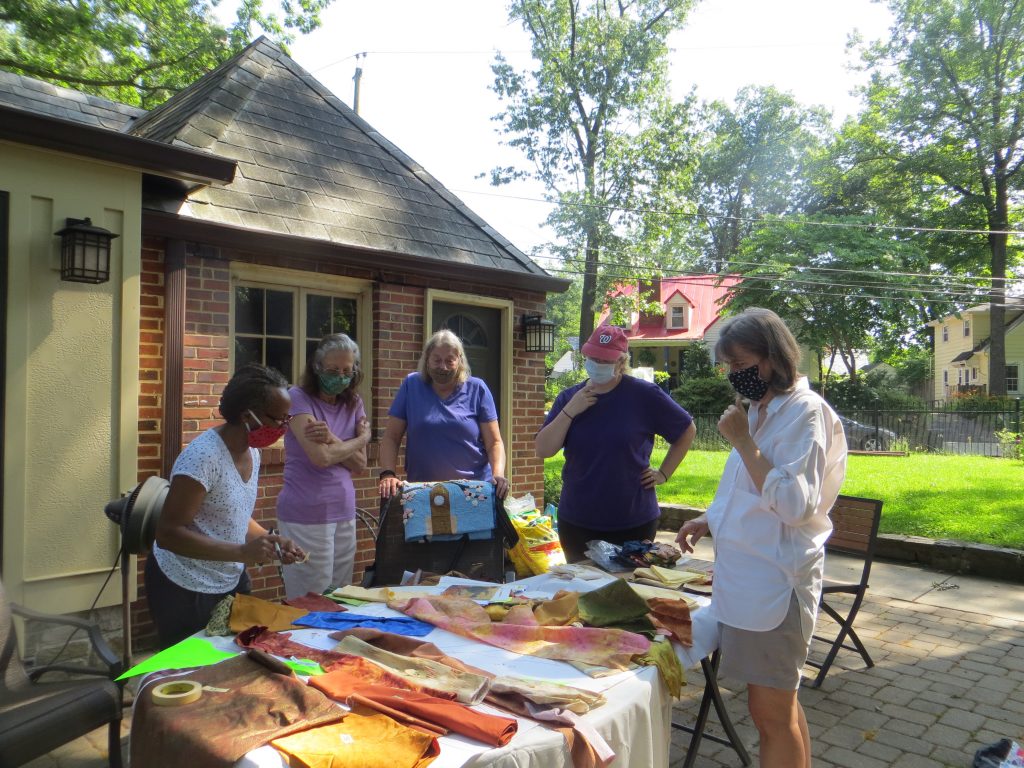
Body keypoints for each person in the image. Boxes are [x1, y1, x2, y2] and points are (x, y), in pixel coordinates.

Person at [675, 308, 847, 768]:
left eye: (740, 362)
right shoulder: (761, 410)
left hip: (775, 583)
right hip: (747, 581)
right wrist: (707, 519)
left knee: (769, 714)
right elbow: (743, 488)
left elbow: (795, 504)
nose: (734, 374)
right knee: (780, 707)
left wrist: (744, 444)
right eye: (728, 365)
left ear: (773, 358)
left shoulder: (804, 414)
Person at [145, 364, 306, 648]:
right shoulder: (203, 458)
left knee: (235, 660)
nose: (284, 428)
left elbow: (235, 516)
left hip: (229, 578)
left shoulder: (252, 452)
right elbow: (168, 533)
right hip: (185, 586)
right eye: (279, 420)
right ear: (248, 416)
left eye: (287, 418)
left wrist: (270, 541)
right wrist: (242, 552)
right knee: (192, 672)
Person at [535, 324, 697, 563]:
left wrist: (663, 473)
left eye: (604, 359)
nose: (596, 364)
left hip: (633, 519)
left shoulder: (644, 395)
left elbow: (687, 430)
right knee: (584, 593)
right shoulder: (569, 397)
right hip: (578, 519)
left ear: (621, 362)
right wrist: (571, 410)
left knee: (629, 592)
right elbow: (543, 449)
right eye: (593, 357)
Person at [277, 333, 370, 599]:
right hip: (306, 513)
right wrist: (361, 438)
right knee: (310, 600)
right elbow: (321, 458)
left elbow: (361, 463)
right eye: (332, 370)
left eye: (346, 370)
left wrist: (331, 438)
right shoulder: (298, 398)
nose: (340, 376)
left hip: (344, 511)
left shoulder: (353, 403)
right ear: (316, 367)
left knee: (339, 598)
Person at [378, 329, 508, 500]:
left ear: (459, 361)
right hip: (423, 493)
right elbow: (391, 438)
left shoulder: (478, 389)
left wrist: (498, 474)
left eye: (449, 360)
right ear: (427, 360)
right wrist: (388, 474)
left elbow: (494, 443)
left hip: (472, 492)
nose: (443, 366)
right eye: (437, 360)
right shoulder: (411, 385)